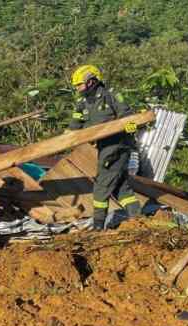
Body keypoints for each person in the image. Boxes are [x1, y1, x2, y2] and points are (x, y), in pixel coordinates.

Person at [69, 65, 141, 230]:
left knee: (101, 186)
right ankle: (138, 219)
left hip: (117, 146)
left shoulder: (111, 96)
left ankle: (98, 226)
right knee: (121, 187)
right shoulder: (83, 103)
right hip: (103, 147)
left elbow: (127, 116)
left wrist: (130, 124)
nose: (78, 88)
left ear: (91, 81)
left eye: (79, 84)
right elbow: (74, 127)